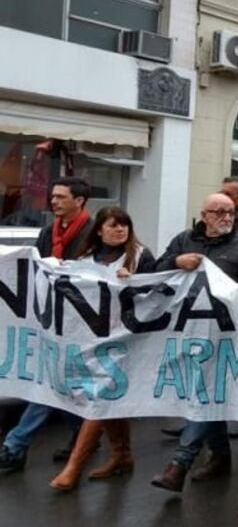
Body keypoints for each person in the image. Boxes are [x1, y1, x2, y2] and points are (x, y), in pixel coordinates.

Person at [150, 193, 238, 492]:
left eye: (231, 212)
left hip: (227, 337)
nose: (227, 217)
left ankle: (179, 465)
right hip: (189, 332)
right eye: (219, 212)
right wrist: (176, 261)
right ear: (204, 215)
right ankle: (221, 457)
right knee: (208, 395)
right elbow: (155, 271)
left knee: (207, 393)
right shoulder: (183, 241)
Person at [49, 206, 156, 490]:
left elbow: (159, 292)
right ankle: (122, 455)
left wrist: (134, 283)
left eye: (125, 225)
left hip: (128, 339)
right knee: (111, 398)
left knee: (100, 397)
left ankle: (73, 468)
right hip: (92, 338)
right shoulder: (84, 258)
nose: (120, 230)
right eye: (114, 225)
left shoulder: (140, 257)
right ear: (99, 230)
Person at [0, 177, 94, 474]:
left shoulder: (94, 232)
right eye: (53, 196)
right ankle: (82, 437)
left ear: (79, 201)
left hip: (80, 321)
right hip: (49, 318)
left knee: (50, 382)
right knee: (60, 384)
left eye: (60, 197)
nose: (53, 201)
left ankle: (16, 445)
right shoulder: (47, 232)